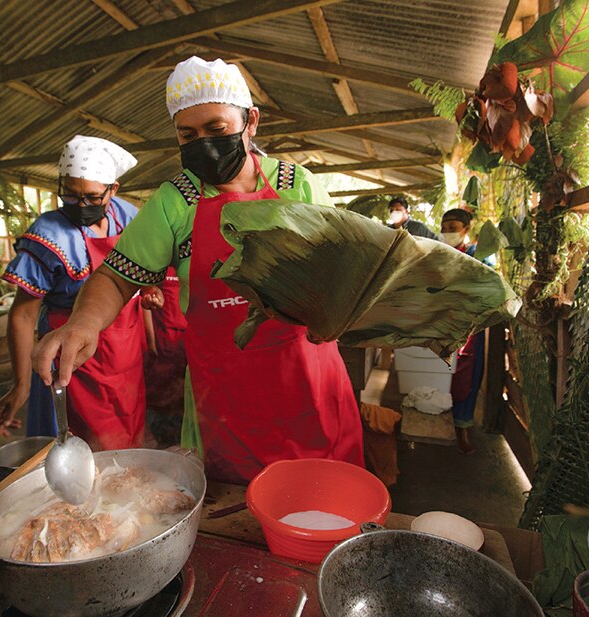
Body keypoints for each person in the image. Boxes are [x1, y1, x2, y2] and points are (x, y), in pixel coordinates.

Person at [32, 57, 364, 484]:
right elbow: (115, 277)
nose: (202, 143)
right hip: (225, 399)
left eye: (216, 129)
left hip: (309, 385)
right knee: (232, 513)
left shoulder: (296, 184)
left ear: (251, 122)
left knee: (326, 498)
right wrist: (83, 323)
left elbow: (344, 269)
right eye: (187, 135)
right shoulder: (175, 201)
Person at [0, 135, 146, 451]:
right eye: (70, 195)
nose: (80, 205)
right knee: (80, 444)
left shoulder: (127, 217)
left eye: (92, 197)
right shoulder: (48, 237)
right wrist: (21, 385)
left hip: (125, 349)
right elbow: (23, 315)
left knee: (128, 434)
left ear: (112, 190)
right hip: (72, 359)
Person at [441, 208, 485, 454]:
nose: (448, 232)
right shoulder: (440, 252)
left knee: (465, 377)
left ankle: (462, 428)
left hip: (468, 326)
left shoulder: (477, 255)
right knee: (439, 372)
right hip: (442, 322)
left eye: (453, 227)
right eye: (445, 228)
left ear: (466, 229)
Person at [140, 267, 188, 447]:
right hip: (162, 339)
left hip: (188, 339)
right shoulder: (156, 261)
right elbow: (144, 298)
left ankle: (182, 438)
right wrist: (151, 339)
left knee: (184, 393)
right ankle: (162, 441)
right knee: (161, 392)